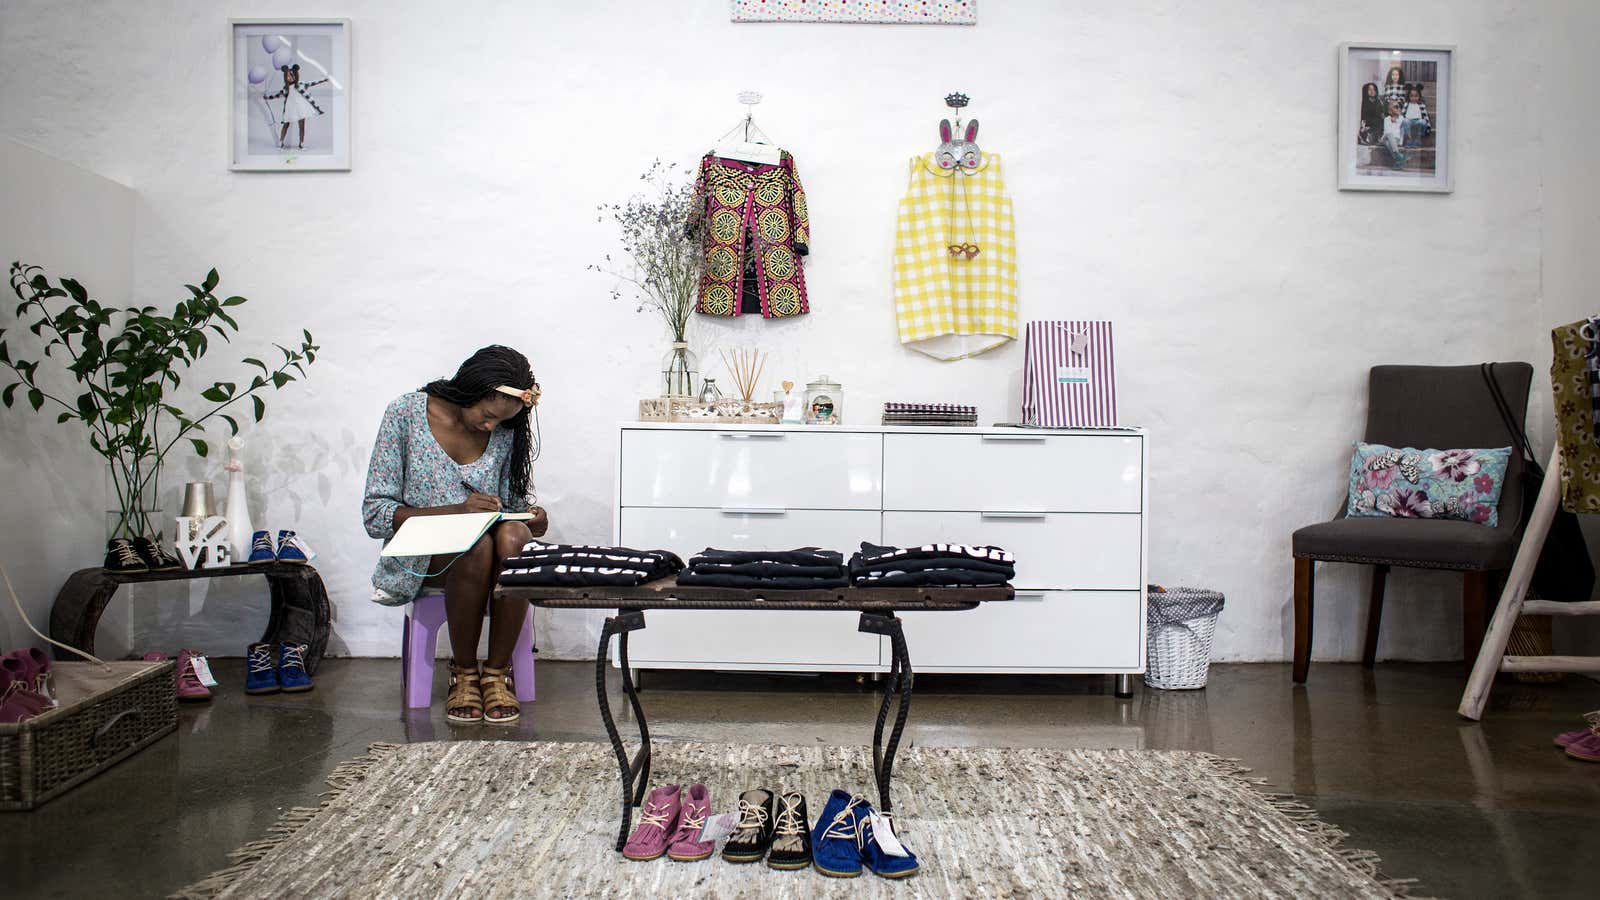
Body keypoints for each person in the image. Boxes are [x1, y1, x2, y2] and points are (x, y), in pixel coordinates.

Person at [362, 346, 549, 725]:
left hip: (488, 554)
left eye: (501, 422)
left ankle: (496, 673)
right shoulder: (406, 414)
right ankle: (464, 672)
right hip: (423, 557)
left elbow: (506, 503)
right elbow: (376, 515)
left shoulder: (503, 430)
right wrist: (456, 512)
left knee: (514, 537)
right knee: (475, 546)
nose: (490, 427)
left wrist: (530, 518)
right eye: (487, 415)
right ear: (471, 390)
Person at [261, 64, 327, 151]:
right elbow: (277, 95)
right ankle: (281, 143)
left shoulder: (301, 85)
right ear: (285, 77)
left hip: (301, 107)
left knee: (302, 125)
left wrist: (324, 79)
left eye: (291, 75)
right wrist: (267, 97)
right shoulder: (286, 89)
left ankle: (301, 144)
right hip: (290, 108)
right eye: (288, 76)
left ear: (295, 75)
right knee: (286, 124)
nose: (290, 77)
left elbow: (312, 82)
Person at [1401, 84, 1431, 149]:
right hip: (1409, 120)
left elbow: (1425, 116)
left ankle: (1417, 140)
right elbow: (1402, 114)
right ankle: (1409, 140)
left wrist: (1428, 127)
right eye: (1411, 96)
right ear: (1408, 96)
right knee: (1405, 121)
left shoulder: (1421, 105)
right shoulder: (1407, 104)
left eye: (1416, 96)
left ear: (1419, 96)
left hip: (1418, 121)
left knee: (1423, 122)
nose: (1414, 98)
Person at [1381, 103, 1408, 169]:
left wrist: (1401, 142)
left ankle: (1398, 159)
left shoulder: (1402, 119)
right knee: (1389, 134)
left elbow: (1402, 132)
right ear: (1390, 110)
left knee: (1388, 143)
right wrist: (1391, 121)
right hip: (1385, 137)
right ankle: (1399, 156)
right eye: (1396, 107)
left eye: (1399, 107)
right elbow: (1386, 131)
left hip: (1396, 139)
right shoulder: (1387, 119)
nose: (1398, 108)